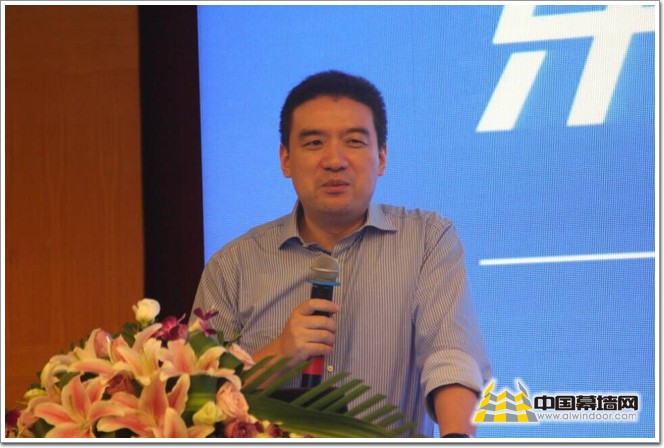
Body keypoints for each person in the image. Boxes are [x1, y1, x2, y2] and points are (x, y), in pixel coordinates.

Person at [191, 70, 491, 437]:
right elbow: (194, 399)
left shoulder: (427, 240)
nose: (334, 160)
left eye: (354, 141)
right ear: (285, 159)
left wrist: (457, 437)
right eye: (314, 143)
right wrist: (279, 354)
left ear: (382, 156)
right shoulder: (233, 265)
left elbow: (451, 356)